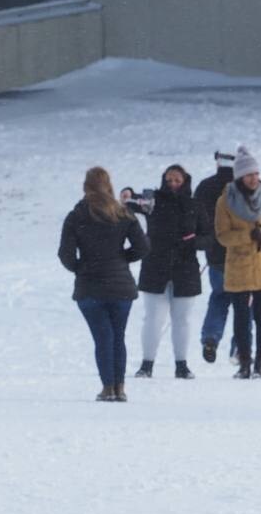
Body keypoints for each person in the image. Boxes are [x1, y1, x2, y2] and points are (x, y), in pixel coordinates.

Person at [59, 166, 149, 401]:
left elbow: (65, 255)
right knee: (118, 336)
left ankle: (107, 387)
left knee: (102, 338)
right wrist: (121, 259)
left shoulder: (76, 216)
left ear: (85, 186)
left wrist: (82, 267)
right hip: (121, 286)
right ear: (110, 185)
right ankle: (120, 387)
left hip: (90, 287)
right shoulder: (123, 214)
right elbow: (143, 247)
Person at [123, 164, 205, 380]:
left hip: (186, 268)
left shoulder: (195, 205)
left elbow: (209, 237)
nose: (172, 184)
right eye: (169, 180)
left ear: (185, 181)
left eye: (177, 180)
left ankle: (182, 365)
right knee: (153, 319)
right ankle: (146, 364)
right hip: (155, 266)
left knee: (182, 320)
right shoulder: (153, 201)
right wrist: (128, 191)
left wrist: (193, 242)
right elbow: (131, 202)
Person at [213, 145, 261, 379]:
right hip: (239, 266)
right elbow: (223, 235)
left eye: (256, 174)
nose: (254, 178)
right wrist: (248, 236)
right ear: (240, 176)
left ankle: (260, 364)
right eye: (249, 174)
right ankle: (244, 362)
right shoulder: (225, 201)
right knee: (241, 317)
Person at [195, 150, 236, 366]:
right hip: (241, 256)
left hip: (215, 254)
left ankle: (210, 337)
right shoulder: (245, 187)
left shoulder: (204, 187)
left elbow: (194, 218)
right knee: (244, 303)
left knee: (219, 297)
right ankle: (239, 346)